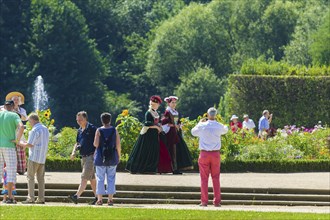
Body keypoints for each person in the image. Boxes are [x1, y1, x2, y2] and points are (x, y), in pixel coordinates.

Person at [191, 107, 228, 207]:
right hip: (215, 154)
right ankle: (217, 201)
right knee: (216, 177)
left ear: (207, 115)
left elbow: (193, 132)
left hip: (204, 153)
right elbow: (226, 129)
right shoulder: (219, 126)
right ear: (215, 115)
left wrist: (199, 122)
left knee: (204, 178)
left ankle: (204, 201)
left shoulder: (202, 126)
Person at [126, 95, 172, 174]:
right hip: (148, 134)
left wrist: (159, 126)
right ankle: (142, 168)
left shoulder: (155, 112)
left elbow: (157, 122)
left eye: (156, 104)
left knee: (154, 151)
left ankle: (151, 168)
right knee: (145, 150)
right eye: (154, 103)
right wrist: (157, 128)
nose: (155, 105)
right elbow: (147, 123)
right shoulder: (148, 112)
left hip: (154, 135)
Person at [19, 113, 49, 204]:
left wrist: (19, 142)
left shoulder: (34, 130)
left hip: (34, 157)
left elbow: (30, 144)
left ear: (32, 120)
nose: (29, 123)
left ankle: (31, 198)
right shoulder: (45, 129)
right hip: (42, 158)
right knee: (41, 179)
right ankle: (41, 198)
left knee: (30, 178)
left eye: (29, 121)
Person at [69, 111, 97, 204]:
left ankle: (76, 196)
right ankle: (97, 197)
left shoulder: (93, 129)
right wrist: (73, 152)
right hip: (83, 157)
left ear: (85, 119)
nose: (79, 121)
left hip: (91, 156)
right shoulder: (80, 130)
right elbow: (77, 143)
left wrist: (95, 154)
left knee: (84, 177)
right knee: (92, 179)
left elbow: (98, 142)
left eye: (80, 119)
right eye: (77, 120)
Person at [93, 113, 121, 206]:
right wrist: (119, 156)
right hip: (112, 158)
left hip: (100, 158)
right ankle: (110, 199)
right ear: (110, 120)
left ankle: (100, 199)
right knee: (111, 178)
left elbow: (96, 144)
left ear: (102, 120)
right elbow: (118, 145)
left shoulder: (99, 130)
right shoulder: (114, 130)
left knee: (100, 178)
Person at [0, 100, 24, 204]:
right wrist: (17, 140)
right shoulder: (14, 115)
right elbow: (22, 127)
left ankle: (5, 197)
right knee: (11, 171)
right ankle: (10, 197)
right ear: (13, 106)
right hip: (9, 145)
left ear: (4, 106)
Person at [162, 96, 193, 174]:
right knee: (172, 150)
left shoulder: (175, 112)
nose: (174, 104)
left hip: (176, 132)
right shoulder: (167, 112)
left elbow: (178, 121)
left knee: (178, 150)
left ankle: (177, 168)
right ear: (168, 103)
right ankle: (173, 168)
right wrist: (174, 125)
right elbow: (164, 123)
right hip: (171, 134)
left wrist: (179, 124)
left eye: (175, 102)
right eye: (172, 102)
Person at [7, 92, 28, 175]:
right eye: (14, 99)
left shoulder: (22, 110)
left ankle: (21, 169)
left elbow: (25, 118)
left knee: (20, 150)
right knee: (10, 150)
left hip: (19, 130)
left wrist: (17, 113)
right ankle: (10, 169)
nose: (16, 101)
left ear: (19, 101)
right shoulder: (7, 108)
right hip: (10, 130)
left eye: (17, 99)